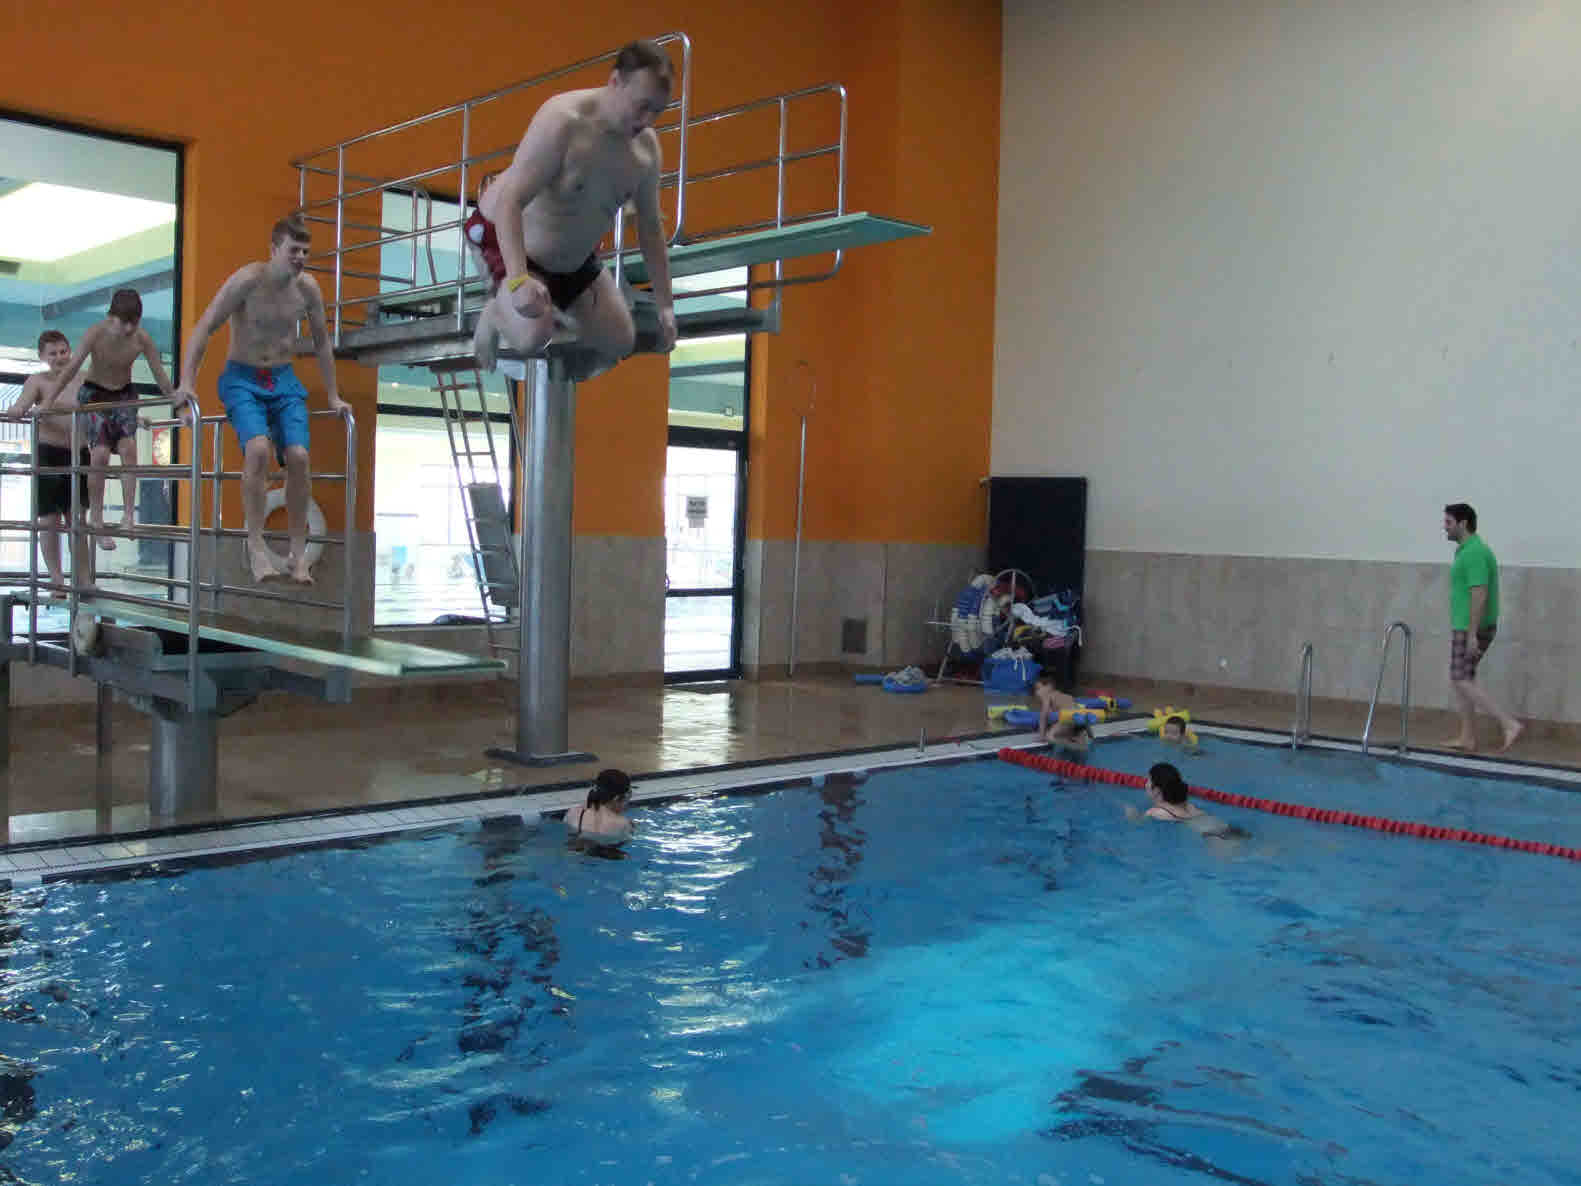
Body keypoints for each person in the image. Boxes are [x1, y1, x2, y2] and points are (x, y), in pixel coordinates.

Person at [467, 38, 679, 374]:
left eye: (657, 110)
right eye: (641, 106)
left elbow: (651, 228)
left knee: (621, 341)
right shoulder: (564, 121)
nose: (647, 119)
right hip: (506, 239)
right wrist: (519, 282)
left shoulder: (646, 152)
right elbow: (511, 200)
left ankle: (556, 312)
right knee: (533, 335)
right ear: (615, 82)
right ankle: (494, 313)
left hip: (573, 260)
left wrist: (666, 305)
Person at [177, 214, 348, 585]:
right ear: (274, 249)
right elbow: (205, 327)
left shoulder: (308, 289)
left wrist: (334, 394)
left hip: (284, 380)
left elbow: (322, 343)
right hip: (243, 378)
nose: (300, 257)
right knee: (257, 450)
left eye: (305, 251)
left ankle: (298, 555)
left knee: (299, 457)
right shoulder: (247, 281)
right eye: (293, 250)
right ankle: (255, 547)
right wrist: (187, 383)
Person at [41, 290, 176, 551]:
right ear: (110, 317)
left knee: (129, 450)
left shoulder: (142, 339)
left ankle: (128, 516)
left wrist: (178, 402)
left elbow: (160, 375)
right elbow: (70, 370)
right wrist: (48, 402)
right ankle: (97, 520)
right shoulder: (96, 333)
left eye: (133, 322)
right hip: (95, 394)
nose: (128, 329)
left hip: (124, 395)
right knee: (100, 455)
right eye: (123, 322)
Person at [2, 331, 90, 593]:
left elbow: (107, 405)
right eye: (53, 353)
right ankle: (56, 578)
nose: (60, 357)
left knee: (77, 521)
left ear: (70, 351)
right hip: (49, 453)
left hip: (79, 453)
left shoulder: (84, 378)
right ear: (42, 356)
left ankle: (83, 579)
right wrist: (17, 410)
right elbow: (21, 405)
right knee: (49, 521)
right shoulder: (37, 381)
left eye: (63, 351)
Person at [1442, 503, 1521, 753]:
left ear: (1463, 523)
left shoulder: (1474, 552)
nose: (1444, 527)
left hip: (1471, 628)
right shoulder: (1465, 551)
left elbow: (1479, 593)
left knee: (1460, 678)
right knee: (1464, 678)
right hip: (1466, 626)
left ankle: (1508, 724)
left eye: (1448, 522)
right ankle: (1467, 737)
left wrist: (1472, 634)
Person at [1125, 762, 1241, 838]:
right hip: (1230, 829)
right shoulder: (1187, 804)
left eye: (1148, 780)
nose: (1145, 784)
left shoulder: (1155, 812)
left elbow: (1137, 823)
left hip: (1215, 838)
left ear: (1157, 790)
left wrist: (1131, 813)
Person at [565, 768, 635, 847]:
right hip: (604, 850)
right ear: (616, 798)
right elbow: (626, 841)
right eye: (628, 796)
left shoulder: (572, 812)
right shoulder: (622, 824)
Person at [1032, 673, 1084, 745]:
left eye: (1038, 689)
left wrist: (1041, 735)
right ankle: (1076, 738)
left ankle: (1069, 747)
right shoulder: (1059, 695)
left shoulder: (1047, 696)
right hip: (1080, 716)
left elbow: (1043, 715)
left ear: (1049, 687)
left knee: (1050, 736)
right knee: (1067, 732)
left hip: (1068, 716)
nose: (1036, 692)